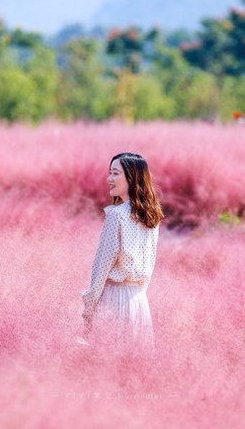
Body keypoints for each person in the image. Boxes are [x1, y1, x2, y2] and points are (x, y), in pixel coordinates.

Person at [80, 152, 164, 355]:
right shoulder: (152, 217)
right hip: (139, 301)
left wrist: (89, 309)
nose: (109, 179)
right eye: (110, 173)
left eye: (115, 173)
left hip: (113, 301)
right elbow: (150, 266)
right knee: (134, 371)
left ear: (132, 178)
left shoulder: (116, 216)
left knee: (106, 368)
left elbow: (102, 267)